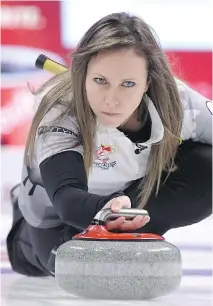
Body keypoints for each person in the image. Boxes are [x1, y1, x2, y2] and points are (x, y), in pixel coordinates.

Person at [6, 12, 212, 277]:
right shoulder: (60, 111)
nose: (112, 100)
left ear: (147, 83)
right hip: (56, 217)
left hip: (133, 200)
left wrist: (129, 215)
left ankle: (132, 230)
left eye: (128, 84)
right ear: (82, 76)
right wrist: (110, 210)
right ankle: (25, 240)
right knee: (76, 268)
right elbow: (67, 199)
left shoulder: (179, 103)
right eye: (100, 81)